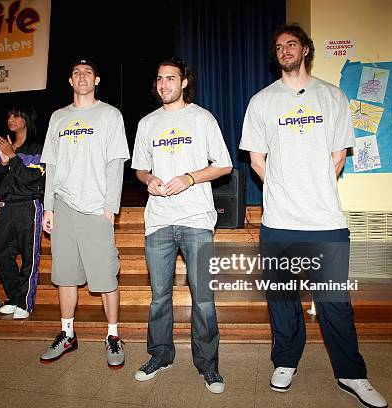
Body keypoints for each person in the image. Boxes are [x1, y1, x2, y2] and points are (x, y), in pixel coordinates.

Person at [239, 24, 388, 408]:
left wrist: (312, 186)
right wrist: (285, 187)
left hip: (326, 222)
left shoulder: (332, 96)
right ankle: (285, 361)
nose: (285, 50)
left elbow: (339, 156)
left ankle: (352, 374)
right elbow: (257, 160)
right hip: (279, 221)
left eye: (292, 43)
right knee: (283, 298)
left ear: (305, 49)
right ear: (275, 55)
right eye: (279, 46)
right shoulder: (262, 101)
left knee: (335, 302)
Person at [131, 57, 232, 394]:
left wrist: (190, 177)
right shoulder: (147, 123)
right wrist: (149, 179)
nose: (164, 84)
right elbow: (140, 170)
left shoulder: (202, 118)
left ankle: (209, 366)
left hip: (197, 220)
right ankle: (160, 355)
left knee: (203, 298)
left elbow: (224, 165)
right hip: (158, 220)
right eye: (159, 79)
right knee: (160, 297)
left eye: (170, 78)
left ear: (184, 82)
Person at [39, 58, 129, 367]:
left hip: (96, 208)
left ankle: (113, 336)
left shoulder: (110, 115)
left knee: (105, 276)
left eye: (88, 72)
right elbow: (51, 165)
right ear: (70, 80)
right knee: (65, 275)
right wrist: (49, 206)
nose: (82, 77)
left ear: (97, 79)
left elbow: (116, 163)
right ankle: (67, 334)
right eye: (76, 72)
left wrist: (110, 209)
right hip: (64, 205)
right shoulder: (58, 118)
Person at [0, 105, 45, 319]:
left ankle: (24, 301)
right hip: (5, 206)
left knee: (29, 255)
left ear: (26, 118)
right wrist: (4, 163)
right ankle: (14, 297)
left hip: (28, 205)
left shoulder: (38, 147)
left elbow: (33, 181)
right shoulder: (7, 146)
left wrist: (13, 157)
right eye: (8, 116)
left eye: (16, 115)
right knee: (2, 254)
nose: (11, 119)